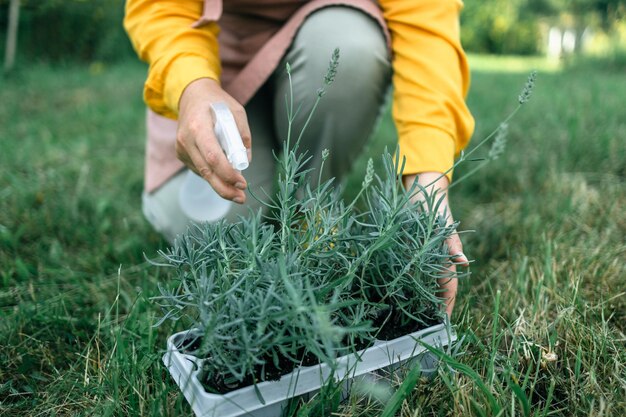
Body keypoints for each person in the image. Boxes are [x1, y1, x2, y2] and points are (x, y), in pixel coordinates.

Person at [124, 0, 475, 316]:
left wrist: (428, 184)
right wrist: (191, 86)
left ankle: (314, 208)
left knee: (350, 50)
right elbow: (161, 8)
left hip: (325, 36)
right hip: (209, 53)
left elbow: (425, 16)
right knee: (215, 240)